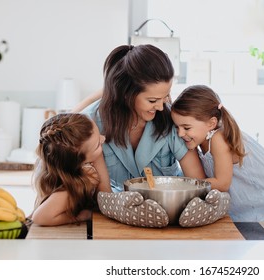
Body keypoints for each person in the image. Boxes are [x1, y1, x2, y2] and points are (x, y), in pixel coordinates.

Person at [79, 44, 230, 227]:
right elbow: (104, 195)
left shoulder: (170, 120)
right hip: (116, 219)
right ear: (127, 94)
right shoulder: (93, 125)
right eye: (152, 100)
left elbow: (196, 182)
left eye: (165, 97)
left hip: (171, 215)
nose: (160, 107)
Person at [171, 85, 264, 222]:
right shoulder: (203, 140)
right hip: (249, 207)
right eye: (177, 127)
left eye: (186, 128)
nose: (180, 133)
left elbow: (222, 183)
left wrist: (185, 185)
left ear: (211, 123)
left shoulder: (219, 138)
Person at [32, 113, 170, 227]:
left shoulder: (91, 157)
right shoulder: (74, 183)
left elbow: (105, 195)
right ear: (80, 162)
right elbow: (39, 217)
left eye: (99, 135)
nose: (103, 139)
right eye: (98, 144)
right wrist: (80, 217)